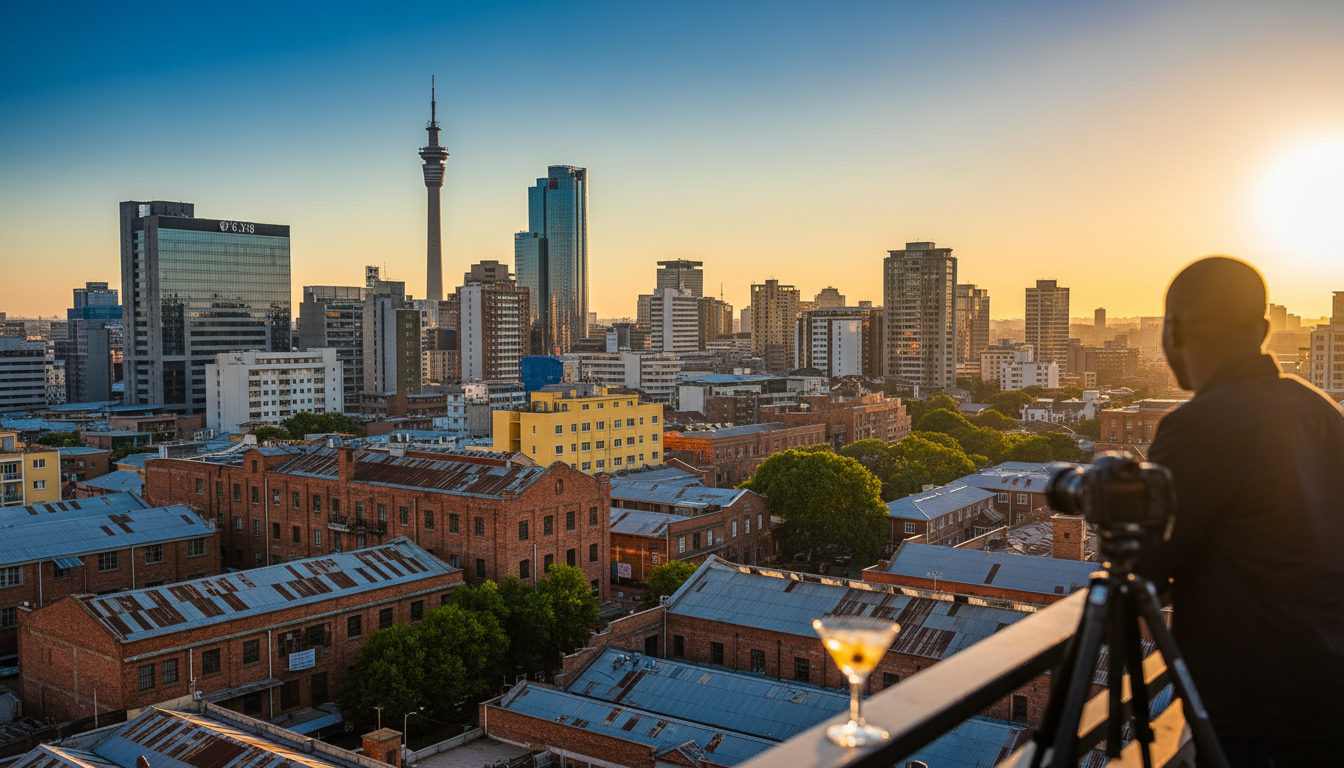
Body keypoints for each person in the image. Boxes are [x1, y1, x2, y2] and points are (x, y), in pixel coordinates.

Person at [1138, 256, 1344, 767]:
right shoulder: (1323, 412)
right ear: (1264, 330)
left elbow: (1144, 569)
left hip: (1258, 712)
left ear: (1172, 331)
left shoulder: (1198, 426)